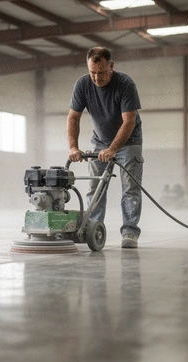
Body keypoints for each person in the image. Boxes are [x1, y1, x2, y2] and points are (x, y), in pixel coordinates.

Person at [67, 46, 144, 249]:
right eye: (92, 72)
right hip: (100, 140)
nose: (96, 78)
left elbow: (129, 121)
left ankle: (129, 232)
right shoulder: (83, 84)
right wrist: (73, 147)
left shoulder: (125, 84)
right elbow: (73, 117)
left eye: (101, 72)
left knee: (130, 189)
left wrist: (113, 149)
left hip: (129, 140)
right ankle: (94, 227)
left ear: (111, 66)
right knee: (95, 187)